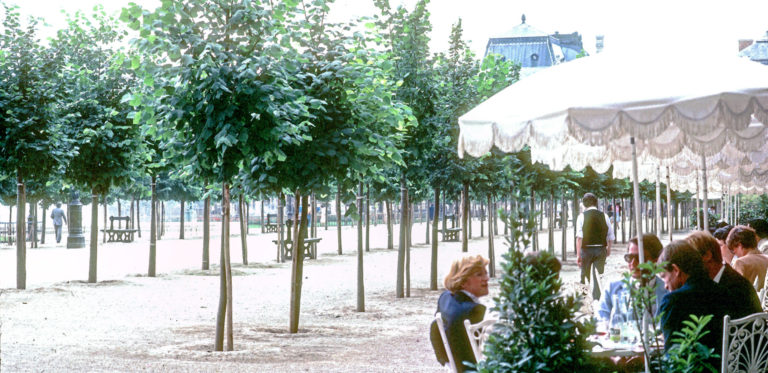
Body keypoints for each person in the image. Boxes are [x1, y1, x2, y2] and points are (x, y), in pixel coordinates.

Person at [657, 240, 729, 362]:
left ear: (676, 270)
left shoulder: (673, 301)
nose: (665, 285)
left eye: (664, 276)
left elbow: (672, 358)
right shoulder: (725, 293)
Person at [685, 231, 761, 319]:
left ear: (707, 256)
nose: (688, 266)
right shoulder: (724, 278)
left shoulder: (731, 287)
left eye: (690, 259)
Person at [434, 255, 489, 372]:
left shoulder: (445, 298)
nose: (486, 278)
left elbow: (434, 330)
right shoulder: (475, 311)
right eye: (479, 274)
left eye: (486, 273)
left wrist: (447, 364)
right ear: (462, 281)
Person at [597, 234, 667, 322]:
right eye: (629, 258)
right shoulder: (612, 289)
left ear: (655, 260)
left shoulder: (667, 293)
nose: (633, 263)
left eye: (639, 258)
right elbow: (600, 322)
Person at [576, 193, 615, 293]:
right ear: (596, 202)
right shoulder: (604, 216)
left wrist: (578, 255)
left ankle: (584, 298)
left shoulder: (581, 217)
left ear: (584, 204)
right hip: (601, 249)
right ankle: (597, 299)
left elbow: (579, 238)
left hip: (586, 250)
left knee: (584, 275)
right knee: (598, 276)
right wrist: (609, 249)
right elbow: (610, 236)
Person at [727, 225, 768, 291]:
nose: (734, 253)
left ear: (740, 245)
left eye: (733, 249)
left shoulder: (740, 263)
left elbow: (734, 290)